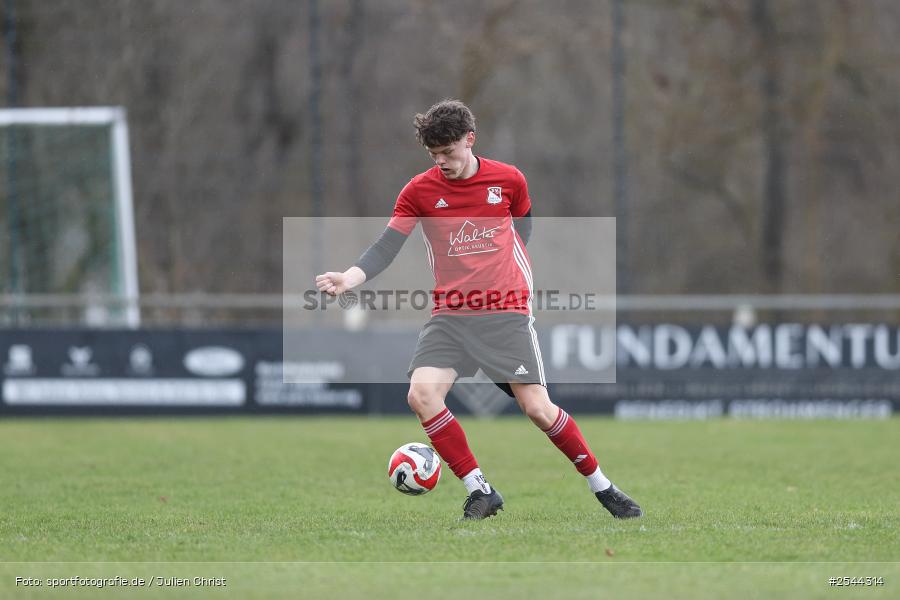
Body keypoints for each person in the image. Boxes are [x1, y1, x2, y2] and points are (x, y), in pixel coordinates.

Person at [316, 99, 641, 520]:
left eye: (448, 152)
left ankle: (603, 488)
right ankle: (480, 491)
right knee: (421, 394)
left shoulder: (508, 180)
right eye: (434, 155)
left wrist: (503, 277)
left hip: (505, 314)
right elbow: (387, 247)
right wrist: (348, 278)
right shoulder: (419, 191)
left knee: (538, 410)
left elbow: (523, 230)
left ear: (470, 140)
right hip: (450, 316)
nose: (442, 162)